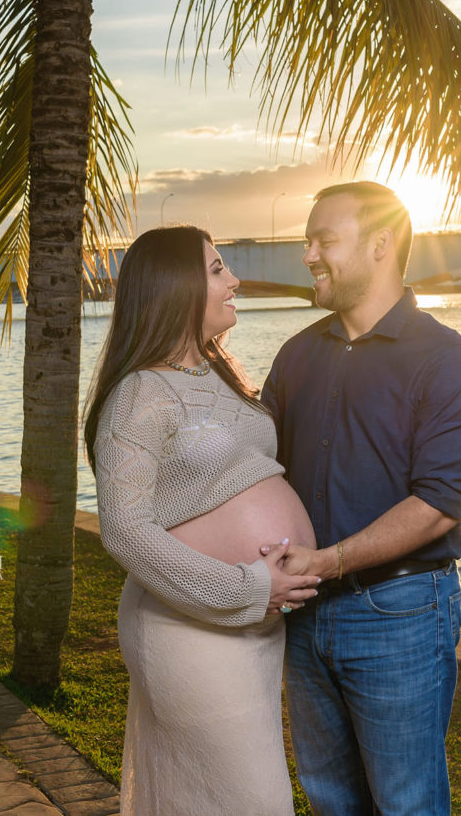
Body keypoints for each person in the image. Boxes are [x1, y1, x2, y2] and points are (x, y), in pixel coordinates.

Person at [261, 181, 461, 815]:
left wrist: (330, 560)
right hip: (304, 613)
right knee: (330, 800)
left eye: (324, 241)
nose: (308, 255)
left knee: (407, 804)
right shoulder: (295, 355)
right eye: (308, 241)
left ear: (380, 244)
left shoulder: (451, 363)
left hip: (400, 614)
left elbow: (440, 503)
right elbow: (257, 470)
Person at [84, 225, 318, 816]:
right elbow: (125, 530)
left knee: (215, 800)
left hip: (252, 631)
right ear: (175, 287)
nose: (235, 280)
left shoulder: (218, 375)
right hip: (189, 631)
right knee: (254, 802)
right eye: (218, 270)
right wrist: (248, 586)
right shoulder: (139, 395)